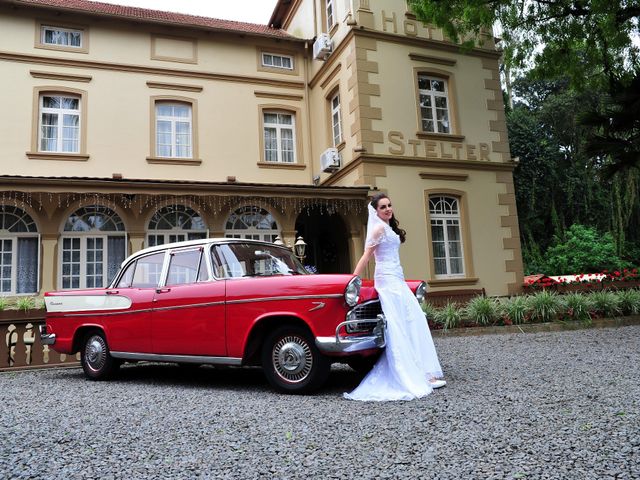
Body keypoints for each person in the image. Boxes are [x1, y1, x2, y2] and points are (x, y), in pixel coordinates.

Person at [344, 193, 445, 401]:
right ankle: (409, 373)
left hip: (397, 277)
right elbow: (367, 255)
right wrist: (353, 279)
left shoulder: (388, 227)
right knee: (401, 323)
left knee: (413, 320)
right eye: (383, 207)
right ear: (376, 211)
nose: (388, 209)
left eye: (389, 205)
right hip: (387, 280)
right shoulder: (379, 229)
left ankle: (423, 371)